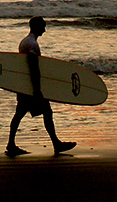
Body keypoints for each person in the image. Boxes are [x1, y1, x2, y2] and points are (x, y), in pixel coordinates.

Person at [6, 16, 76, 157]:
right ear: (37, 27)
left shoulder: (25, 41)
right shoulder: (32, 44)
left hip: (25, 85)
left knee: (20, 114)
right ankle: (56, 144)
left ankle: (11, 144)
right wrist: (37, 90)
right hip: (31, 87)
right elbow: (33, 67)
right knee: (45, 112)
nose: (45, 30)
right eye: (43, 26)